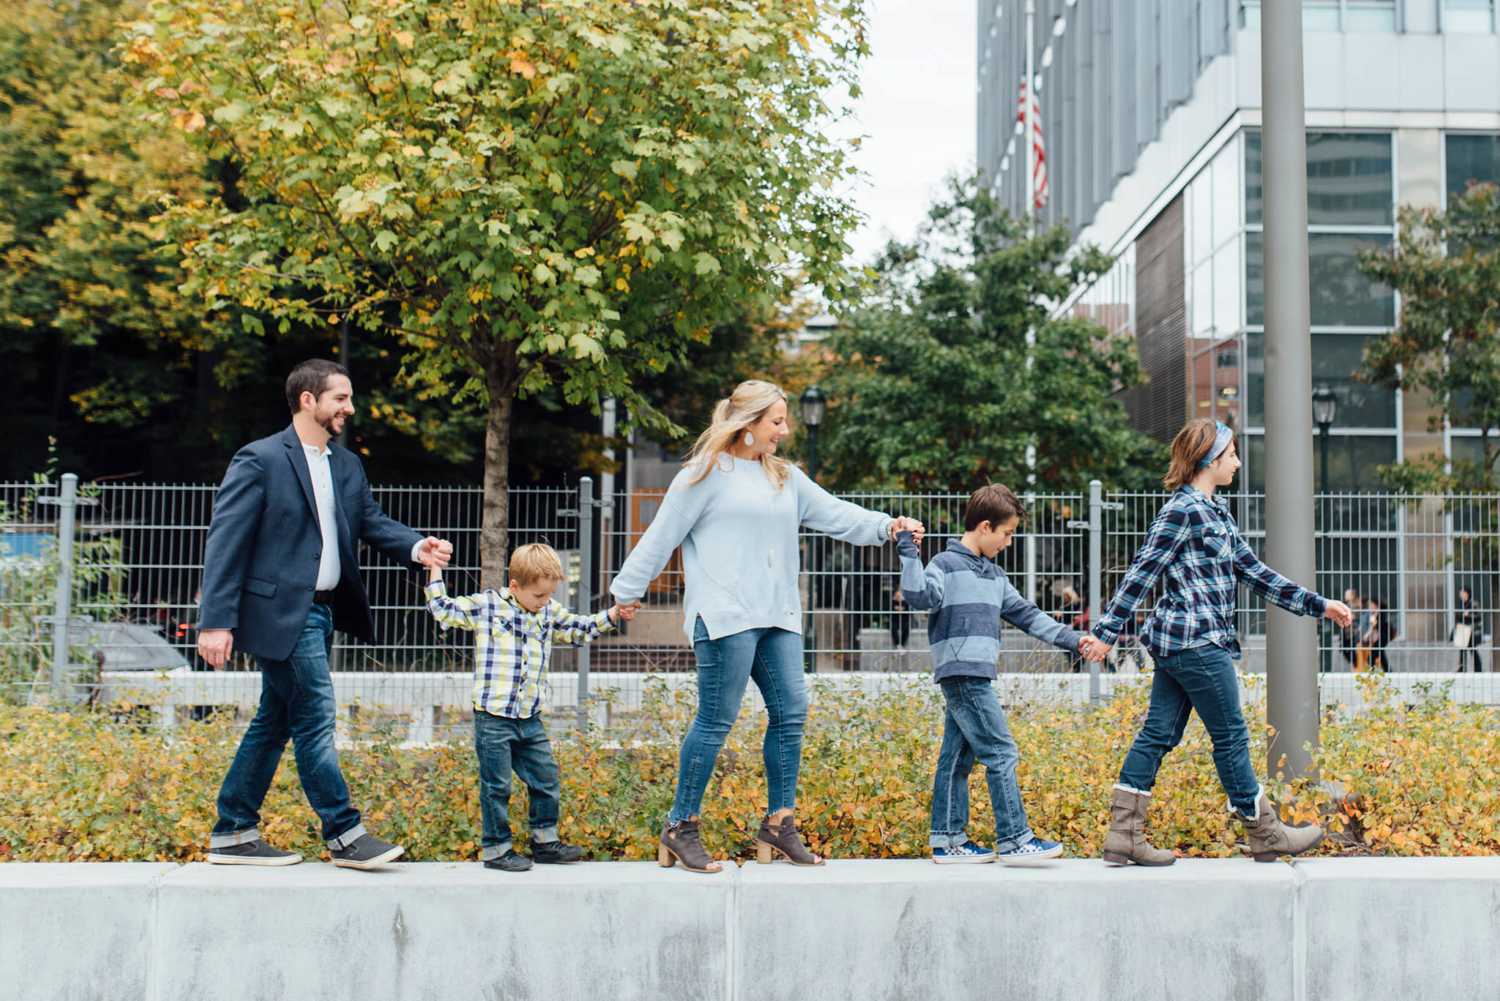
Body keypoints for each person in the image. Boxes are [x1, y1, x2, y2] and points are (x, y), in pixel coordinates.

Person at [609, 380, 924, 874]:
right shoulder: (704, 474)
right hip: (725, 614)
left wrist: (888, 525)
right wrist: (628, 590)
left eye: (785, 420)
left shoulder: (785, 477)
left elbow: (836, 515)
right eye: (776, 421)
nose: (785, 429)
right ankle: (680, 826)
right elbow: (662, 534)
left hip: (777, 613)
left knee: (792, 711)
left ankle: (779, 827)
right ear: (747, 423)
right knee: (716, 719)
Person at [197, 359, 453, 869]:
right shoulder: (260, 459)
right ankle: (344, 833)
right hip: (280, 614)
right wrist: (214, 620)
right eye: (341, 398)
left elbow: (370, 522)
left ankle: (233, 830)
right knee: (315, 715)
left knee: (274, 721)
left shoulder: (346, 465)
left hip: (321, 614)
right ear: (308, 400)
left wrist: (414, 546)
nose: (350, 408)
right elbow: (226, 541)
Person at [1090, 419, 1353, 866]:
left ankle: (1123, 835)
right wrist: (1105, 633)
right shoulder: (1181, 510)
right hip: (1196, 642)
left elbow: (1256, 573)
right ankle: (1265, 832)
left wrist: (1318, 604)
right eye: (1232, 454)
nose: (1237, 461)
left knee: (1157, 734)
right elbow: (1142, 572)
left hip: (1184, 644)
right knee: (1230, 736)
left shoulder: (1218, 512)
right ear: (1210, 459)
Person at [897, 484, 1106, 865]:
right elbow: (918, 596)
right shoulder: (944, 565)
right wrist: (908, 550)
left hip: (974, 674)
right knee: (1001, 751)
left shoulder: (993, 575)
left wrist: (1075, 641)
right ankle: (1014, 839)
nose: (1009, 542)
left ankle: (947, 839)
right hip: (963, 672)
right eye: (1007, 534)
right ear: (985, 527)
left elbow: (1028, 615)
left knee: (956, 759)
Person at [425, 543, 634, 871]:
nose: (544, 602)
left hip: (529, 717)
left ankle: (545, 841)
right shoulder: (489, 606)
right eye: (538, 596)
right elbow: (444, 610)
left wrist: (613, 614)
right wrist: (435, 568)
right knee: (497, 785)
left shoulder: (549, 611)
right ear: (514, 587)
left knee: (546, 776)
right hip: (493, 717)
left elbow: (579, 629)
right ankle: (497, 849)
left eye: (548, 596)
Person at [1363, 596, 1395, 673]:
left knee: (1371, 659)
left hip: (1384, 636)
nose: (1369, 607)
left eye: (1371, 605)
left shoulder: (1380, 613)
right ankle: (1389, 672)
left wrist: (1367, 635)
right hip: (1381, 637)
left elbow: (1374, 626)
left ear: (1375, 605)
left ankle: (1373, 674)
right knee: (1381, 656)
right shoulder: (1376, 613)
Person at [1455, 586, 1483, 673]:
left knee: (1472, 649)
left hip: (1471, 630)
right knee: (1462, 650)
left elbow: (1478, 616)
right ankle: (1462, 668)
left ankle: (1478, 669)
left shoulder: (1473, 603)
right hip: (1463, 630)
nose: (1460, 594)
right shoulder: (1461, 604)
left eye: (1462, 592)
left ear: (1467, 593)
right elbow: (1458, 616)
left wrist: (1468, 614)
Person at [1339, 587, 1362, 669]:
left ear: (1353, 595)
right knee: (1344, 649)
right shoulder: (1346, 605)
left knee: (1353, 650)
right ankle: (1354, 664)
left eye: (1347, 594)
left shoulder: (1358, 606)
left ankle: (1356, 666)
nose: (1345, 596)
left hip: (1354, 632)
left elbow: (1357, 618)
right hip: (1346, 631)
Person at [890, 577, 912, 650]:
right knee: (893, 629)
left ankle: (901, 645)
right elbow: (892, 609)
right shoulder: (893, 599)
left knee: (906, 629)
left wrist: (901, 605)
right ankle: (898, 645)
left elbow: (907, 610)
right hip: (895, 619)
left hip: (904, 619)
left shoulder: (906, 598)